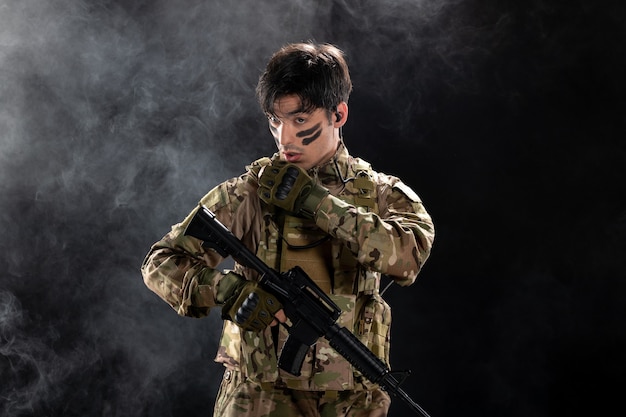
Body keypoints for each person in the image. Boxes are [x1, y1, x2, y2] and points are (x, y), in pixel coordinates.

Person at [141, 41, 435, 417]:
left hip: (350, 401)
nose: (284, 138)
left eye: (300, 121)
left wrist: (317, 203)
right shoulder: (248, 193)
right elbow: (160, 262)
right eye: (275, 121)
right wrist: (226, 289)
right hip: (256, 398)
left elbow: (409, 255)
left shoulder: (379, 193)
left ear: (338, 114)